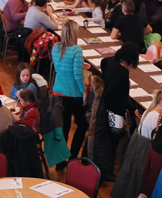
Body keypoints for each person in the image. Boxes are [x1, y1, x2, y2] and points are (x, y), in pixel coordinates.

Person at [96, 42, 138, 180]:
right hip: (115, 110)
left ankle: (107, 165)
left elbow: (102, 63)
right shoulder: (123, 73)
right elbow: (112, 91)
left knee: (108, 137)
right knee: (115, 138)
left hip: (104, 107)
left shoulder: (109, 61)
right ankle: (108, 169)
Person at [52, 20, 88, 158]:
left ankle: (60, 161)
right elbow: (78, 76)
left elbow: (61, 67)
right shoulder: (77, 50)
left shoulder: (56, 47)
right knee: (83, 124)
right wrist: (84, 92)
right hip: (73, 94)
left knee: (63, 128)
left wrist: (80, 65)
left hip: (58, 93)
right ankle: (73, 156)